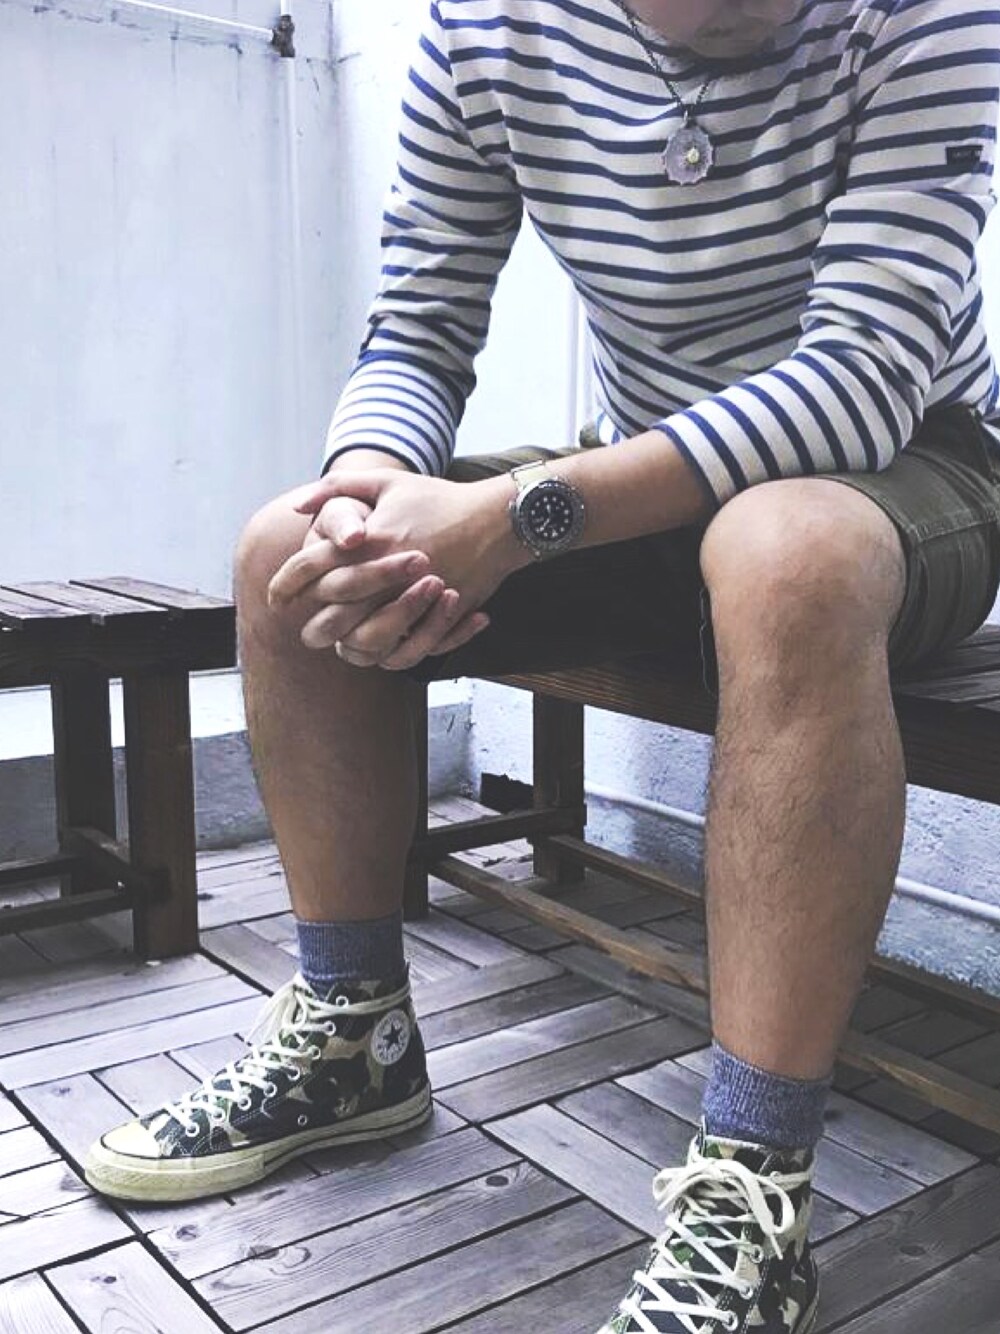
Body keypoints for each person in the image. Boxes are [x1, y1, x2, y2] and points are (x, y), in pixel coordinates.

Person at [85, 1, 1000, 1329]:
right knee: (290, 552)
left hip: (911, 464)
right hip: (652, 461)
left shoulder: (928, 15)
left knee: (782, 555)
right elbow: (419, 324)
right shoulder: (490, 29)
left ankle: (753, 1181)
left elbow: (856, 382)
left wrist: (518, 518)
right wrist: (360, 506)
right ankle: (353, 1035)